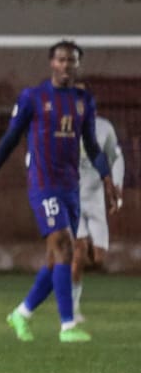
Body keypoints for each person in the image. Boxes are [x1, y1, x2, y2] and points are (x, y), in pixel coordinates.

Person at [0, 41, 118, 343]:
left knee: (57, 260)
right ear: (52, 63)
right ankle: (67, 325)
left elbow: (91, 145)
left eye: (72, 61)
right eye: (62, 60)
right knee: (65, 245)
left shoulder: (83, 101)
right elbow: (10, 139)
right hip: (43, 184)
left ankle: (21, 314)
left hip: (70, 187)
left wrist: (107, 179)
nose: (67, 65)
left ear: (78, 65)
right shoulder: (33, 97)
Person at [70, 99, 125, 324]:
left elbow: (116, 157)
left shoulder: (104, 128)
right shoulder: (63, 129)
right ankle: (72, 309)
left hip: (95, 201)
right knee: (80, 251)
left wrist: (117, 185)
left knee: (99, 258)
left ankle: (69, 266)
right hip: (71, 199)